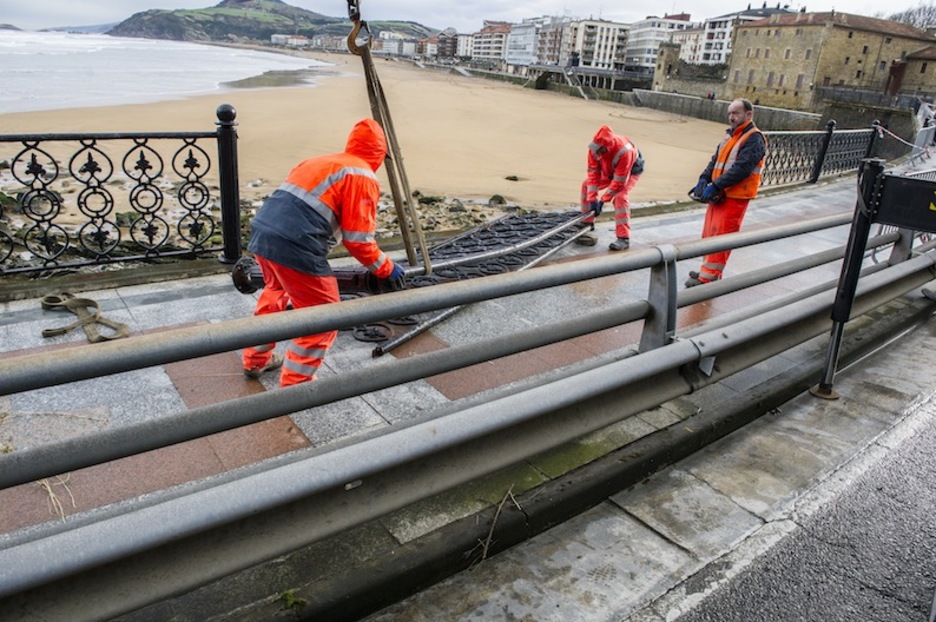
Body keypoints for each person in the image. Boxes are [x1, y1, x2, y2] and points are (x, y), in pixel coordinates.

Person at [242, 117, 405, 386]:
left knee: (275, 292)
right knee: (324, 315)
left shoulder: (321, 162)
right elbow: (358, 241)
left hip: (263, 233)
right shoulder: (362, 175)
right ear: (379, 152)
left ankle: (255, 361)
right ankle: (296, 385)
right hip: (296, 245)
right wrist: (387, 268)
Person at [686, 98, 767, 287]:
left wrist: (716, 185)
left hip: (735, 195)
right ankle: (707, 269)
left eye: (736, 113)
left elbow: (742, 168)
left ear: (748, 115)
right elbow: (715, 160)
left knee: (722, 236)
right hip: (720, 194)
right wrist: (704, 177)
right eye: (730, 113)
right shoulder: (730, 136)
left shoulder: (754, 138)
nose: (731, 117)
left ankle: (710, 276)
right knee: (710, 233)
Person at [575, 125, 644, 251]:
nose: (597, 152)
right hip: (610, 170)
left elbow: (619, 182)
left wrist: (603, 200)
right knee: (586, 185)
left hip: (629, 172)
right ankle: (587, 222)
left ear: (608, 147)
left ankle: (623, 238)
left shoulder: (625, 151)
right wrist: (592, 199)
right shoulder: (594, 149)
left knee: (620, 197)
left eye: (600, 150)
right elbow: (593, 174)